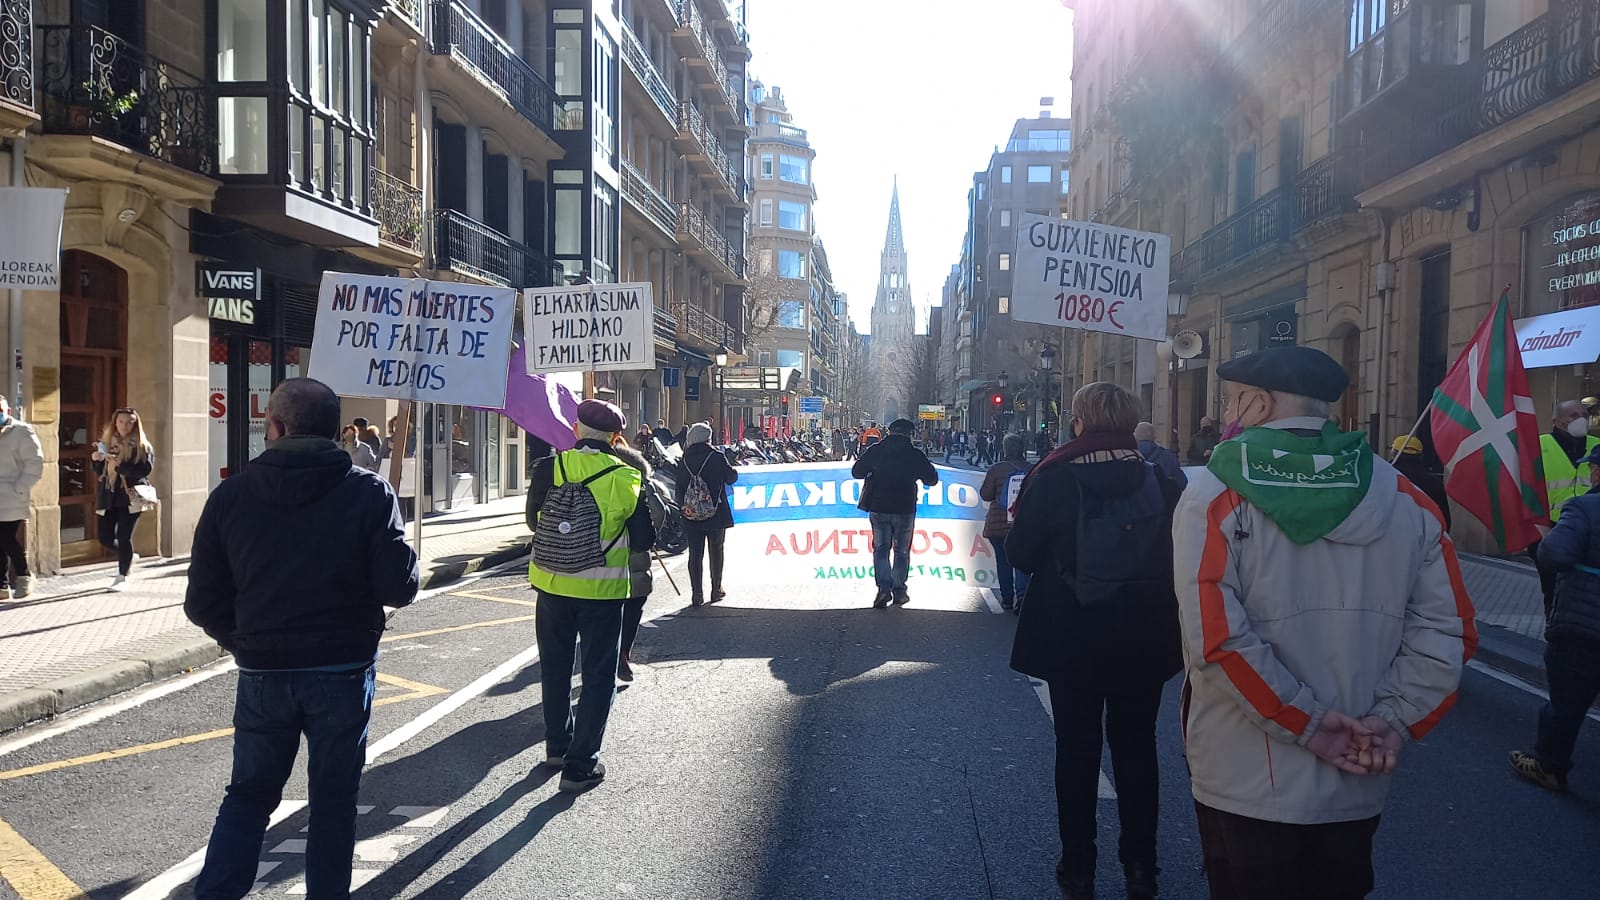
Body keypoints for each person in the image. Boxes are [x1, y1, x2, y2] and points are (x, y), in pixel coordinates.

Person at [1172, 346, 1473, 900]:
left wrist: (1308, 724)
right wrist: (1392, 722)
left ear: (1260, 404)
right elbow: (1449, 632)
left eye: (1234, 400)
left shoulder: (1213, 493)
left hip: (1244, 773)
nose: (1229, 413)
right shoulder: (1407, 498)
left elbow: (1215, 640)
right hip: (1360, 768)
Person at [184, 378, 419, 900]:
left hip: (263, 671)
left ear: (275, 426)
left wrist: (245, 641)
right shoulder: (369, 492)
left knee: (248, 796)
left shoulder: (231, 496)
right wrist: (403, 548)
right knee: (334, 800)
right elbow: (399, 588)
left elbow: (201, 602)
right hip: (342, 669)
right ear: (336, 431)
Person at [1007, 383, 1183, 900]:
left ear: (1080, 421)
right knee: (1138, 747)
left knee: (1076, 749)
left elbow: (1020, 554)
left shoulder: (1054, 477)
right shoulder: (1160, 479)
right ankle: (1141, 867)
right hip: (1143, 634)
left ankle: (1079, 866)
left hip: (1073, 634)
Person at [527, 399, 655, 793]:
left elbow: (532, 521)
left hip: (551, 585)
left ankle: (557, 747)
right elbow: (644, 540)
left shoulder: (550, 467)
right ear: (616, 439)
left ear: (576, 430)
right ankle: (579, 766)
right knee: (598, 677)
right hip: (603, 592)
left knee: (555, 668)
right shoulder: (627, 476)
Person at [1512, 442, 1600, 792]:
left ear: (1597, 472)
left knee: (1567, 702)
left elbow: (1555, 555)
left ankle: (1549, 766)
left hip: (1582, 625)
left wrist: (1547, 539)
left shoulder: (1584, 507)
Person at [852, 418, 938, 608]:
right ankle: (899, 590)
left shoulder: (876, 450)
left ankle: (883, 588)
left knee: (881, 549)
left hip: (879, 507)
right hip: (904, 508)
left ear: (889, 432)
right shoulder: (915, 454)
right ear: (910, 434)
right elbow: (931, 480)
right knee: (902, 550)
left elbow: (857, 472)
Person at [1535, 400, 1599, 617]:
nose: (1581, 420)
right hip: (1549, 528)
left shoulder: (1596, 446)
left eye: (1584, 415)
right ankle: (1553, 622)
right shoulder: (1539, 446)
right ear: (1557, 421)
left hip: (1590, 529)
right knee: (1552, 588)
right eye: (1573, 415)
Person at [91, 407, 154, 591]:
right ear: (115, 423)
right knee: (104, 537)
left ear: (135, 424)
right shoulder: (107, 443)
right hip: (109, 495)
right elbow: (99, 471)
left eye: (129, 422)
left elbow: (145, 470)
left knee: (124, 536)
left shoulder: (142, 446)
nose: (124, 426)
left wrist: (120, 466)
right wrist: (96, 460)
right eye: (120, 422)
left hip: (130, 497)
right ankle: (127, 556)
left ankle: (122, 576)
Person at [675, 422, 738, 606]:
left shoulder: (684, 459)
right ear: (707, 438)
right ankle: (716, 589)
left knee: (695, 553)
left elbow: (679, 487)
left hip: (691, 514)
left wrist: (683, 508)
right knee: (716, 550)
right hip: (715, 512)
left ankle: (697, 594)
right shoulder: (716, 456)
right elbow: (731, 477)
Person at [979, 433, 1033, 612]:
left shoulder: (996, 469)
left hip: (998, 523)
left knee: (1003, 561)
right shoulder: (1033, 470)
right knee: (1021, 560)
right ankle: (1022, 596)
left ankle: (1007, 598)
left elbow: (986, 494)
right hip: (1023, 522)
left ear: (1005, 449)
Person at [0, 396, 43, 600]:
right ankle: (2, 586)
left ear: (7, 411)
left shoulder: (21, 431)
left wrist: (20, 487)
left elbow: (35, 462)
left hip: (12, 495)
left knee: (6, 538)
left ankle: (25, 576)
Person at [1390, 435, 1450, 532]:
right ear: (1420, 456)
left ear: (1392, 453)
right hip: (1424, 536)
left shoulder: (1383, 477)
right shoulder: (1434, 483)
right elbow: (1444, 520)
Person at [1134, 421, 1186, 488]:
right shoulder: (1168, 456)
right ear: (1154, 437)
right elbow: (1182, 482)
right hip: (1163, 494)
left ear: (1135, 436)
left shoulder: (1128, 456)